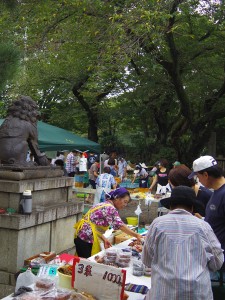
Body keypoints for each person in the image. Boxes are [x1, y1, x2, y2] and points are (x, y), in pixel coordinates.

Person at [142, 186, 224, 300]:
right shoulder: (203, 226)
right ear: (192, 207)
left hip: (163, 293)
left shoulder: (157, 224)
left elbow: (146, 260)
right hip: (197, 293)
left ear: (170, 206)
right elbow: (218, 262)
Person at [74, 187, 142, 258]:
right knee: (86, 263)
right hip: (86, 239)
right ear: (117, 198)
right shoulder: (110, 208)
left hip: (82, 236)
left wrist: (104, 239)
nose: (125, 205)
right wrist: (136, 235)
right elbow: (120, 225)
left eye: (126, 203)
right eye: (124, 201)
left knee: (83, 262)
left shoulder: (104, 204)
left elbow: (95, 226)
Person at [188, 155, 225, 276]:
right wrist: (203, 220)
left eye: (197, 176)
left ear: (205, 175)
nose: (198, 180)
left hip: (221, 256)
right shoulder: (216, 192)